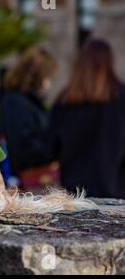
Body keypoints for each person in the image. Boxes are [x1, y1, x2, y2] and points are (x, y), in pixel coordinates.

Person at [49, 39, 125, 199]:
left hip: (76, 194)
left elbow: (50, 148)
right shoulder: (121, 97)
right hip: (117, 193)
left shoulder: (65, 100)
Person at [0, 48, 58, 187]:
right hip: (25, 178)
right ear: (37, 76)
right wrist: (52, 149)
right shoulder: (17, 102)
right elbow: (23, 144)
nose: (48, 83)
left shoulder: (27, 100)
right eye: (47, 77)